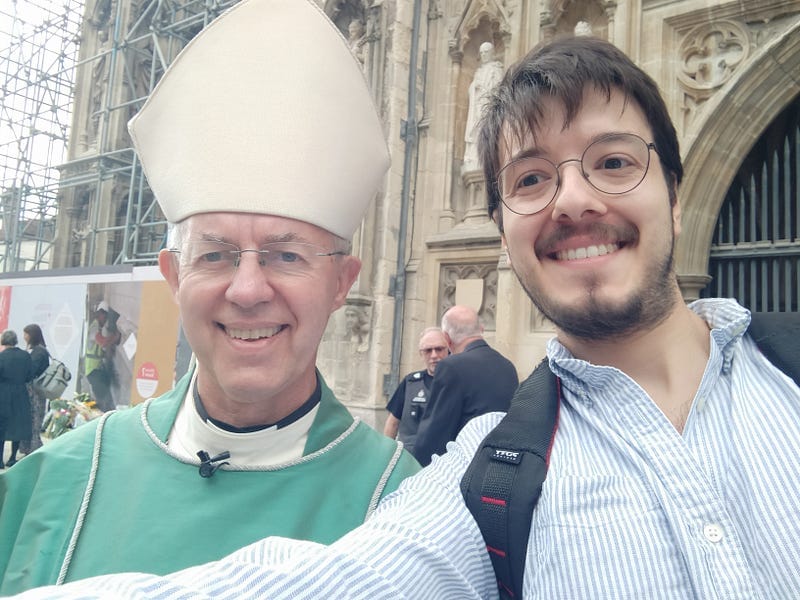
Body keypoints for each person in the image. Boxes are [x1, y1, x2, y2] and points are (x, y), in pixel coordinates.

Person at [14, 35, 800, 600]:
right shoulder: (480, 484)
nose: (574, 200)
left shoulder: (402, 480)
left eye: (615, 162)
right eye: (530, 179)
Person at [0, 0, 419, 593]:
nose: (247, 290)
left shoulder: (405, 509)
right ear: (174, 277)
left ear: (340, 285)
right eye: (216, 254)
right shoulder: (58, 482)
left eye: (286, 255)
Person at [411, 305, 518, 466]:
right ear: (481, 329)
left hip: (463, 468)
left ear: (446, 338)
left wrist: (415, 469)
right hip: (500, 465)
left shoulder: (451, 367)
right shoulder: (507, 366)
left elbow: (435, 432)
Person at [383, 327, 449, 455]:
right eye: (428, 350)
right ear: (421, 354)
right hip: (411, 460)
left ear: (448, 350)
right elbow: (392, 423)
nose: (434, 355)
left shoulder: (458, 383)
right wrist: (385, 454)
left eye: (439, 349)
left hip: (443, 462)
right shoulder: (410, 383)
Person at [463, 41, 504, 170]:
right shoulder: (478, 72)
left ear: (492, 53)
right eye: (481, 53)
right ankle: (474, 156)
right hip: (478, 107)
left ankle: (487, 156)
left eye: (486, 52)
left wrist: (487, 90)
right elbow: (472, 90)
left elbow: (499, 88)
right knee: (476, 130)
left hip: (488, 105)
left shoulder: (496, 69)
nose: (484, 55)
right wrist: (475, 87)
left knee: (488, 129)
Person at [0, 330, 34, 469]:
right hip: (20, 392)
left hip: (3, 393)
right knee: (18, 423)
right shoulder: (25, 356)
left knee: (2, 425)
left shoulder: (2, 357)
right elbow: (29, 375)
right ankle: (12, 457)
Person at [17, 324, 50, 455]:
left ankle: (33, 448)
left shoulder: (39, 352)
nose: (24, 337)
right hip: (34, 390)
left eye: (26, 334)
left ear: (32, 335)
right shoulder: (38, 350)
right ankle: (28, 447)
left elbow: (32, 370)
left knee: (34, 419)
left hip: (35, 391)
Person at [83, 301, 119, 412]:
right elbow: (102, 342)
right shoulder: (94, 328)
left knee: (107, 399)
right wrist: (115, 337)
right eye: (105, 316)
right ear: (100, 314)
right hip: (93, 371)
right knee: (104, 401)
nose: (106, 320)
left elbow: (98, 349)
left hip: (97, 370)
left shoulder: (97, 328)